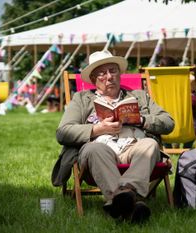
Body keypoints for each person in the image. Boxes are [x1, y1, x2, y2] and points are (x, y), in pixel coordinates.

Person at [52, 50, 175, 223]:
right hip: (100, 151)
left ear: (119, 73)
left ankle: (122, 197)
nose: (109, 77)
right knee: (94, 149)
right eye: (102, 73)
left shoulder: (138, 96)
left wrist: (141, 119)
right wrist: (97, 129)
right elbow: (63, 132)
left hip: (134, 148)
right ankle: (132, 202)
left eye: (113, 71)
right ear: (94, 78)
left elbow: (168, 122)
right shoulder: (81, 99)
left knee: (149, 145)